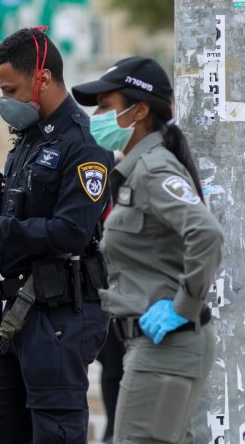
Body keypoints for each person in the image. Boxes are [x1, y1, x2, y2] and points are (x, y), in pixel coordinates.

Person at [0, 27, 113, 443]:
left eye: (10, 89)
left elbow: (69, 231)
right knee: (2, 430)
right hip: (14, 311)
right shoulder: (28, 139)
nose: (4, 101)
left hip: (59, 314)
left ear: (42, 78)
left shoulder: (84, 143)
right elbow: (14, 211)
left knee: (54, 432)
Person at [71, 56, 223, 443]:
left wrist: (180, 307)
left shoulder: (153, 169)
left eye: (106, 106)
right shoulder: (138, 169)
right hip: (157, 344)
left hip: (165, 345)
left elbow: (206, 234)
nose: (97, 115)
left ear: (139, 111)